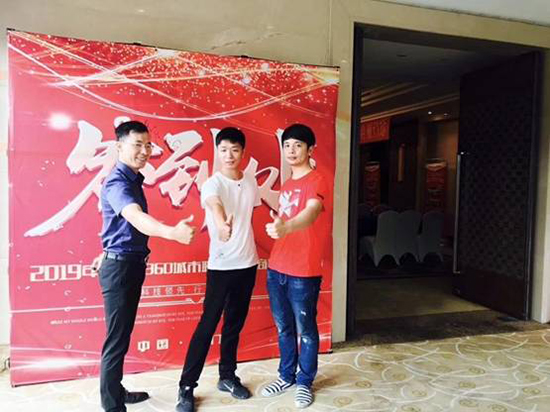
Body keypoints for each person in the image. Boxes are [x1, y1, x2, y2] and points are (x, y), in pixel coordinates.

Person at [94, 120, 196, 412]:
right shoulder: (118, 182)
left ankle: (116, 391)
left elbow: (116, 225)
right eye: (137, 144)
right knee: (116, 341)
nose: (144, 150)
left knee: (121, 337)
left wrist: (106, 251)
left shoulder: (132, 179)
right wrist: (172, 233)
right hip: (121, 269)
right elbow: (135, 217)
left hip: (125, 264)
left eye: (148, 144)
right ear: (119, 147)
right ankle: (113, 406)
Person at [175, 127, 260, 412]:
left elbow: (249, 213)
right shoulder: (212, 183)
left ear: (243, 152)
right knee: (208, 325)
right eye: (223, 150)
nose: (229, 155)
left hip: (248, 263)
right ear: (217, 152)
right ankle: (187, 387)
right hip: (221, 266)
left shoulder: (250, 182)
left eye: (234, 150)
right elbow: (215, 204)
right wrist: (222, 224)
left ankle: (227, 376)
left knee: (234, 324)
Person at [261, 124, 329, 409]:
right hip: (277, 268)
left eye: (298, 145)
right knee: (283, 328)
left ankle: (304, 382)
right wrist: (282, 227)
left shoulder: (318, 180)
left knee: (307, 331)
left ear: (310, 149)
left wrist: (286, 227)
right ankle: (286, 376)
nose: (291, 150)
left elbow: (311, 212)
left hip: (303, 270)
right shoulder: (287, 184)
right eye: (287, 145)